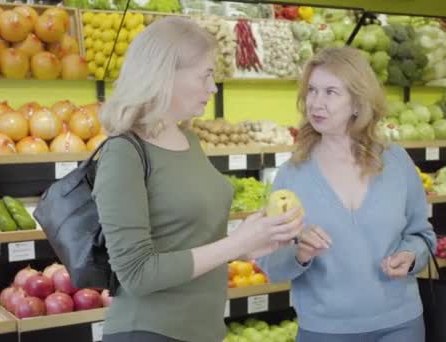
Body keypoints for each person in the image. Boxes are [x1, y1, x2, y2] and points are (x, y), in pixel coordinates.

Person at [92, 16, 304, 342]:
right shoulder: (123, 153)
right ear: (165, 75)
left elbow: (189, 241)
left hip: (203, 330)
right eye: (205, 76)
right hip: (149, 332)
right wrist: (237, 243)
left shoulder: (187, 139)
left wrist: (252, 243)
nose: (213, 88)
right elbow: (136, 273)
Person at [257, 47, 437, 342]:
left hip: (401, 325)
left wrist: (410, 254)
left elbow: (423, 236)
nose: (316, 102)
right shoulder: (292, 174)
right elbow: (271, 264)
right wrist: (300, 253)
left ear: (357, 102)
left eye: (330, 92)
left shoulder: (395, 162)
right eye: (312, 91)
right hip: (325, 330)